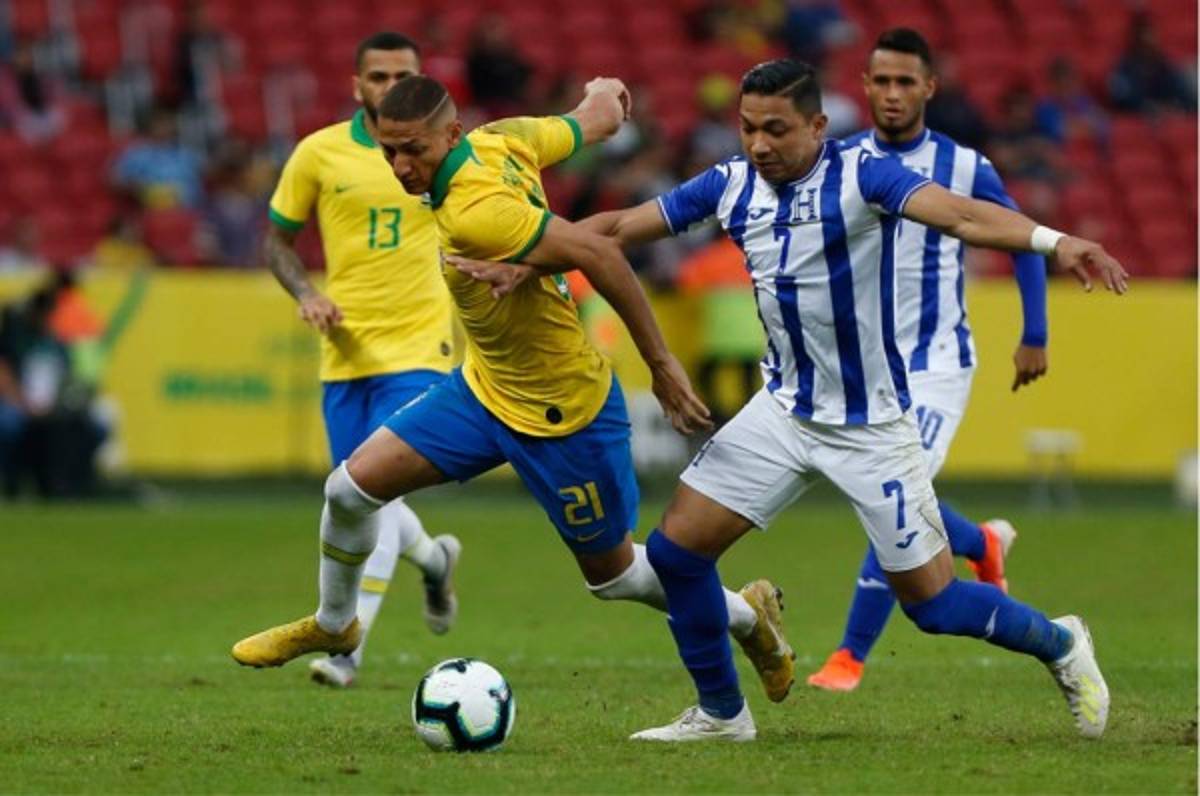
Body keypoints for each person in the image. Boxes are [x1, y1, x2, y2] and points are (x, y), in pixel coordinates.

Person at [452, 59, 1125, 743]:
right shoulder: (732, 183)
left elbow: (959, 214)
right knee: (678, 555)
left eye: (776, 129)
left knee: (934, 604)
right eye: (747, 128)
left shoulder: (863, 175)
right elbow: (622, 227)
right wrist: (528, 259)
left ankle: (1063, 644)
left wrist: (1056, 240)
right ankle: (722, 714)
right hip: (782, 411)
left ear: (817, 126)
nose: (759, 144)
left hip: (870, 426)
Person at [232, 74, 798, 705]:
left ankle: (749, 618)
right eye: (389, 150)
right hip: (484, 391)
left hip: (564, 412)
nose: (399, 165)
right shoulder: (504, 140)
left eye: (413, 149)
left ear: (451, 134)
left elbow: (599, 252)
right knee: (348, 487)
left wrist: (662, 366)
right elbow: (591, 120)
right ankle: (335, 627)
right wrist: (609, 92)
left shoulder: (477, 211)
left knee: (614, 579)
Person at [805, 27, 1052, 692]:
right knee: (885, 494)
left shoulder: (966, 167)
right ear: (864, 85)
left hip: (939, 364)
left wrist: (1035, 332)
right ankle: (981, 543)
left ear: (929, 88)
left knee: (892, 496)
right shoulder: (840, 160)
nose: (891, 94)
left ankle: (850, 655)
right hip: (870, 367)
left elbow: (1023, 241)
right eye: (880, 81)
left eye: (904, 82)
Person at [259, 32, 461, 689]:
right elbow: (279, 242)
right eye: (378, 76)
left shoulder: (447, 152)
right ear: (357, 85)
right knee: (357, 495)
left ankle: (348, 648)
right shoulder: (318, 152)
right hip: (345, 349)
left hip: (420, 342)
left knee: (373, 490)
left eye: (403, 75)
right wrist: (306, 292)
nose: (389, 87)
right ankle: (432, 561)